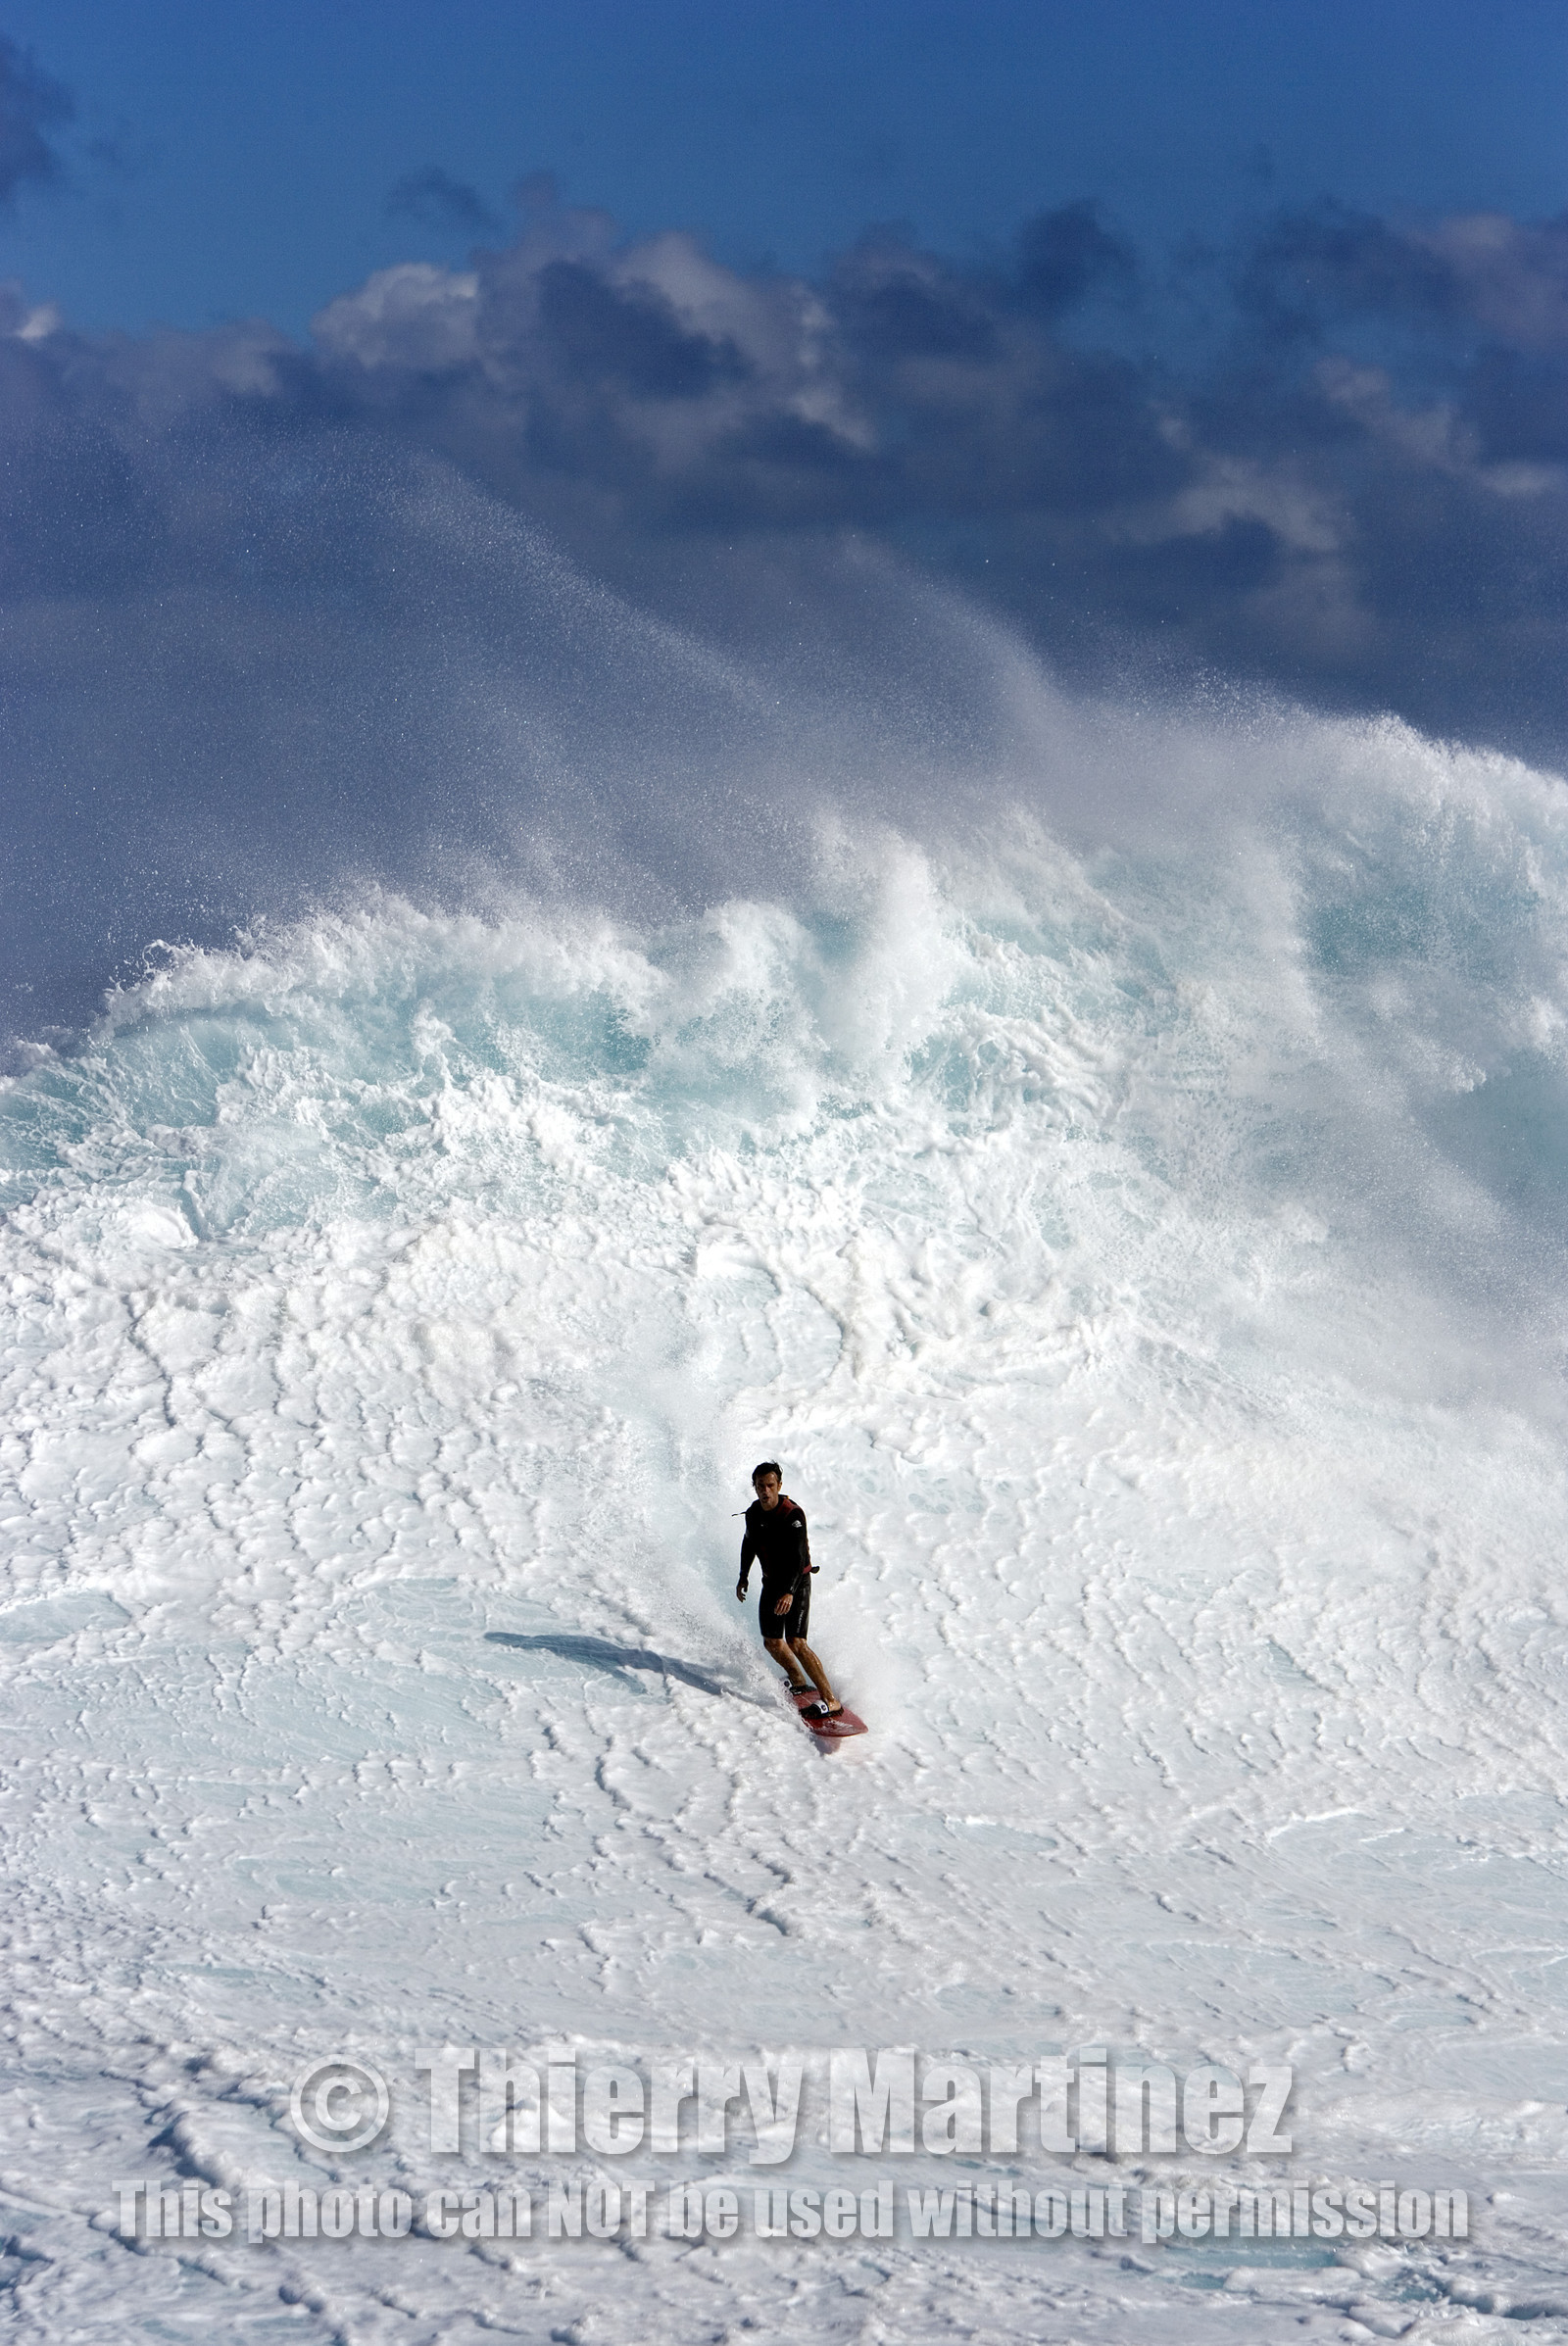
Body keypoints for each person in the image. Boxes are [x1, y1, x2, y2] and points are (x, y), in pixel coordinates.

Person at [736, 1461, 843, 1717]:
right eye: (760, 1486)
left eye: (770, 1485)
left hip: (797, 1582)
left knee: (796, 1641)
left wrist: (789, 1592)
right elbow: (748, 1543)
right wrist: (743, 1576)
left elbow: (797, 1559)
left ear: (779, 1485)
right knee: (772, 1642)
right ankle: (797, 1681)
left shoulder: (792, 1514)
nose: (765, 1491)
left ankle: (830, 1699)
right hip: (771, 1582)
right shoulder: (753, 1513)